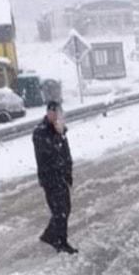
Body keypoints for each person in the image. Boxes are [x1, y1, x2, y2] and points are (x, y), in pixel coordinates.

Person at [33, 101, 78, 254]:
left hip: (62, 176)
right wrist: (58, 134)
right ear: (49, 113)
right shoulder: (41, 131)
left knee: (65, 209)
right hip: (50, 178)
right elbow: (49, 152)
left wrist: (68, 172)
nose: (57, 116)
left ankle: (50, 235)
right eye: (54, 113)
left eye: (59, 113)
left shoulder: (59, 130)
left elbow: (66, 153)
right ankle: (60, 241)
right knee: (59, 211)